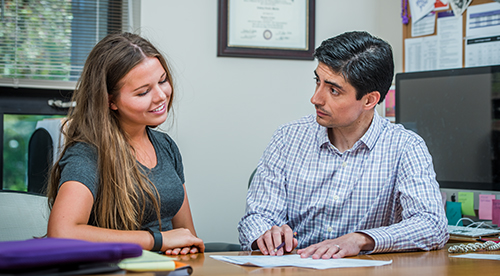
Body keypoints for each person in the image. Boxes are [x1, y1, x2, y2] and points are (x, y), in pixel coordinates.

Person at [237, 31, 449, 259]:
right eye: (317, 81)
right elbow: (255, 217)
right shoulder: (288, 138)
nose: (316, 98)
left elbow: (432, 224)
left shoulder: (405, 147)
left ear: (369, 100)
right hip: (293, 269)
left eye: (333, 90)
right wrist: (266, 235)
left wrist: (360, 239)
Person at [46, 32, 204, 255]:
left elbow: (187, 236)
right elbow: (61, 232)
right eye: (143, 92)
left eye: (163, 81)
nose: (161, 96)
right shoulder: (88, 153)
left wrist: (184, 247)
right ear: (111, 101)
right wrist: (156, 240)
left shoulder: (166, 147)